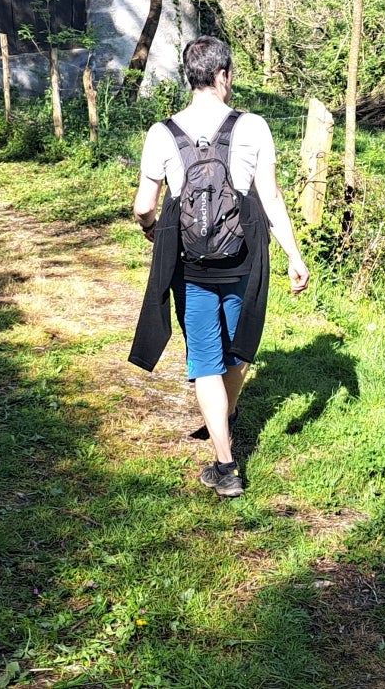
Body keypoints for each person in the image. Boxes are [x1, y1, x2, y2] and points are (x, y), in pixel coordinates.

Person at [127, 37, 311, 498]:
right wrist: (294, 254)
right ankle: (224, 418)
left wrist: (151, 227)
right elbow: (270, 197)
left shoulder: (161, 132)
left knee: (205, 359)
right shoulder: (253, 127)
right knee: (239, 348)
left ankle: (225, 465)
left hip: (191, 264)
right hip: (244, 258)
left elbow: (143, 205)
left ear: (189, 76)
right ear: (224, 75)